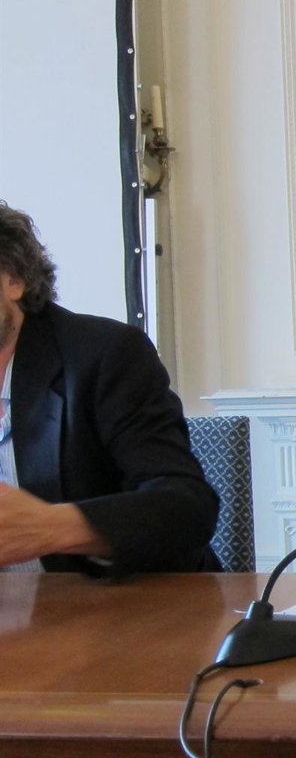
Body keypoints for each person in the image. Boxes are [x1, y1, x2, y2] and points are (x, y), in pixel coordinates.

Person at [0, 202, 220, 575]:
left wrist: (52, 527)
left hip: (123, 600)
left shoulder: (104, 355)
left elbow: (186, 507)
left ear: (14, 279)